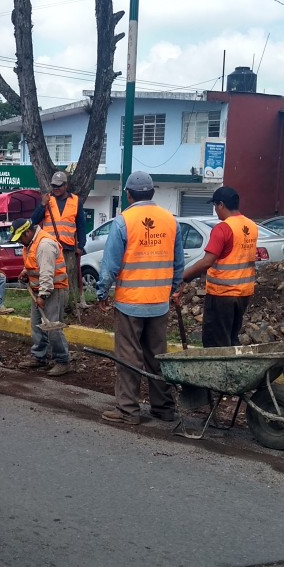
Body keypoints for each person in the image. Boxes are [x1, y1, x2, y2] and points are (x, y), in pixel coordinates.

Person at [95, 172, 184, 425]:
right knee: (158, 357)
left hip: (130, 303)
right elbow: (178, 263)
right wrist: (174, 288)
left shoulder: (124, 221)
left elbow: (110, 264)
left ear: (128, 194)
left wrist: (102, 292)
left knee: (128, 357)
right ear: (153, 192)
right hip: (159, 303)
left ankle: (128, 411)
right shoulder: (170, 221)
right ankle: (164, 408)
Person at [180, 186, 258, 347]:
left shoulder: (223, 228)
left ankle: (218, 372)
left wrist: (183, 277)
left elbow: (207, 261)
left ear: (221, 205)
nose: (215, 210)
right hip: (243, 293)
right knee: (231, 338)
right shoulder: (251, 226)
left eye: (215, 206)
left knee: (216, 343)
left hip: (223, 295)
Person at [10, 217, 71, 376]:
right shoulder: (30, 243)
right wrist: (25, 273)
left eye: (20, 238)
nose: (20, 242)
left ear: (28, 232)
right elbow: (34, 263)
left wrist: (42, 296)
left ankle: (63, 360)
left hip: (53, 290)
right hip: (38, 290)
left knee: (53, 327)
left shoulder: (45, 245)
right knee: (37, 325)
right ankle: (39, 356)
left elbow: (47, 273)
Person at [30, 170, 87, 312]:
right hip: (49, 247)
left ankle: (65, 306)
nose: (56, 189)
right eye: (54, 186)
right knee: (49, 276)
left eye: (59, 186)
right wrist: (42, 205)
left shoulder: (76, 201)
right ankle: (49, 303)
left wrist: (81, 245)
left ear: (66, 186)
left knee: (65, 279)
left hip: (68, 247)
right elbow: (34, 221)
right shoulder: (47, 200)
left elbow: (81, 224)